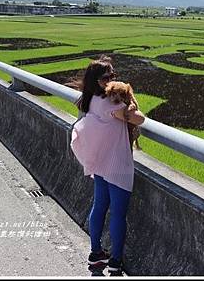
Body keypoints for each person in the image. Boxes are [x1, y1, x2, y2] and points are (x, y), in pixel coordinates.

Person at [70, 56, 145, 276]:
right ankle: (115, 261)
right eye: (106, 77)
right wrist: (130, 100)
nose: (111, 80)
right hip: (117, 164)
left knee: (99, 206)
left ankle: (95, 255)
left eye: (113, 75)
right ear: (96, 80)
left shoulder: (90, 99)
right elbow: (139, 119)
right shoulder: (110, 102)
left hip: (101, 164)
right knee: (118, 214)